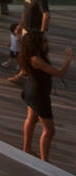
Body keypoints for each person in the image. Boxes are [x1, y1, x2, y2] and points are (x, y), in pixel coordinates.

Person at [18, 29, 71, 163]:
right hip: (38, 95)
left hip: (31, 90)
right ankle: (44, 162)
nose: (47, 42)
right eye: (44, 40)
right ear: (37, 43)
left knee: (31, 119)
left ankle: (27, 148)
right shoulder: (36, 59)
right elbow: (59, 73)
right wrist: (69, 58)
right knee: (49, 130)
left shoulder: (33, 55)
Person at [6, 0, 51, 86]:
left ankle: (22, 75)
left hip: (34, 32)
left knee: (28, 54)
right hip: (26, 29)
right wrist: (20, 26)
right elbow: (24, 12)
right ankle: (31, 74)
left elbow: (46, 15)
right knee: (29, 53)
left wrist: (42, 32)